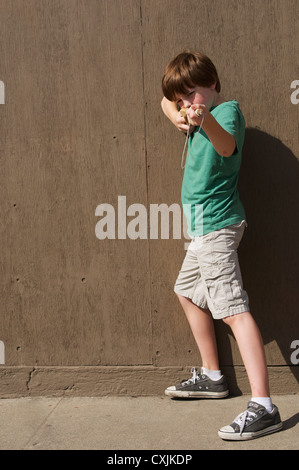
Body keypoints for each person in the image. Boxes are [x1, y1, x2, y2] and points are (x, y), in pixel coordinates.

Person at [160, 51, 282, 440]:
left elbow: (227, 147)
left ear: (213, 84)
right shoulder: (189, 113)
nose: (187, 104)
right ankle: (214, 376)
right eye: (183, 99)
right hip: (201, 232)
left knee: (232, 310)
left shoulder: (226, 112)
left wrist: (203, 116)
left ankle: (264, 406)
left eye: (193, 94)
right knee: (187, 293)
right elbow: (165, 100)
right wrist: (179, 112)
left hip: (217, 227)